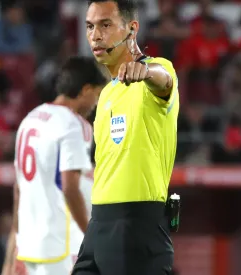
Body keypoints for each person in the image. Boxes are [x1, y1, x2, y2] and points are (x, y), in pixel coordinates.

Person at [72, 0, 180, 274]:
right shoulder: (107, 93)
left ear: (132, 29)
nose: (95, 35)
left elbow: (163, 79)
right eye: (90, 26)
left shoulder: (154, 72)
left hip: (136, 225)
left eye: (105, 25)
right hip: (99, 225)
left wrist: (145, 72)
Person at [1, 56, 106, 275]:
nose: (96, 104)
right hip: (59, 251)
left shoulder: (29, 120)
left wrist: (11, 255)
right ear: (86, 90)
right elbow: (70, 187)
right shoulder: (75, 124)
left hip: (28, 249)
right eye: (97, 95)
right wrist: (92, 238)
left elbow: (19, 193)